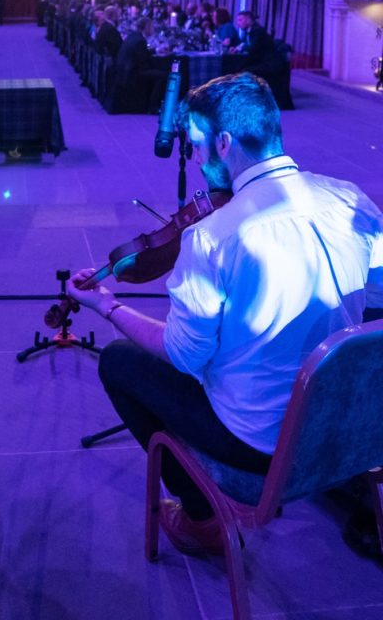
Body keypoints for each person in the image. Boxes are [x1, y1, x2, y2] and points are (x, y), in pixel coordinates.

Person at [67, 72, 383, 557]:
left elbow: (182, 356)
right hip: (344, 422)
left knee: (119, 361)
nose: (193, 158)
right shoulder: (351, 199)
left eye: (196, 145)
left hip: (256, 442)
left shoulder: (213, 236)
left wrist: (108, 306)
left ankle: (202, 518)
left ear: (224, 142)